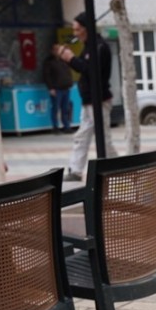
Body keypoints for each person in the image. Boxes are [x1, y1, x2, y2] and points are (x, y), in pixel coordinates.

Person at [56, 11, 117, 182]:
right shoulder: (89, 47)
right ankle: (75, 171)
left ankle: (117, 169)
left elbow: (90, 70)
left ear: (85, 29)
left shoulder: (99, 47)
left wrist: (71, 59)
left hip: (99, 101)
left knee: (103, 139)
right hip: (89, 101)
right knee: (81, 136)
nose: (75, 34)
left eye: (77, 30)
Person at [42, 43, 75, 134]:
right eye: (56, 50)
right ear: (52, 51)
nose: (59, 52)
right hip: (56, 88)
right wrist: (50, 88)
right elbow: (47, 75)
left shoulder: (63, 60)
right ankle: (55, 127)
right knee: (55, 108)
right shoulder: (49, 62)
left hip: (66, 87)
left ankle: (66, 126)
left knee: (66, 108)